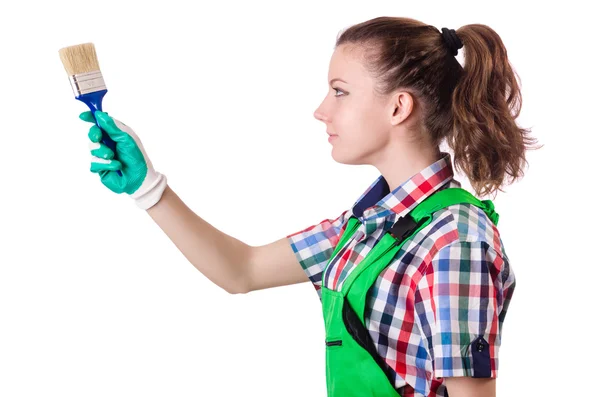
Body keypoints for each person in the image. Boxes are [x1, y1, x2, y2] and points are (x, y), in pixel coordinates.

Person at [81, 16, 537, 397]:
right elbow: (244, 269)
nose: (321, 110)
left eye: (340, 91)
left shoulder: (455, 241)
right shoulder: (367, 226)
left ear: (399, 107)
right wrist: (150, 188)